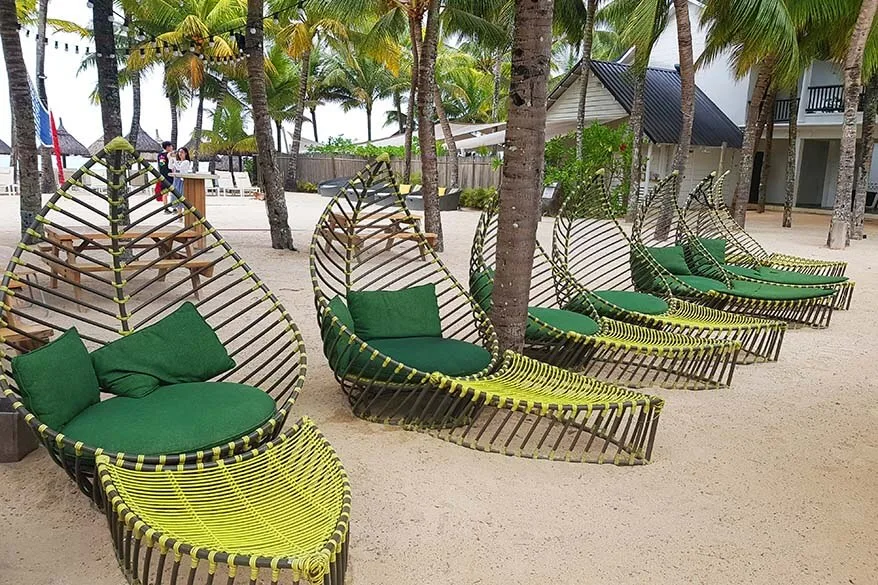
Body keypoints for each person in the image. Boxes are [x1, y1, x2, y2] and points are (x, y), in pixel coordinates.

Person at [170, 147, 192, 214]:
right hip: (176, 180)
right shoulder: (178, 161)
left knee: (183, 197)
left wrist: (174, 159)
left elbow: (179, 168)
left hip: (182, 181)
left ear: (185, 153)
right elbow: (170, 167)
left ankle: (185, 215)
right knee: (176, 197)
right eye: (179, 152)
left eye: (182, 152)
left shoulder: (186, 162)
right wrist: (171, 159)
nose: (180, 154)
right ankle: (179, 216)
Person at [156, 141, 174, 208]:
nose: (172, 147)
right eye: (171, 146)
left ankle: (165, 208)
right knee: (173, 193)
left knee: (165, 193)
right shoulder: (170, 154)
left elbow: (161, 166)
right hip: (170, 175)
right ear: (167, 147)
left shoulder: (160, 155)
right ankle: (174, 207)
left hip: (163, 176)